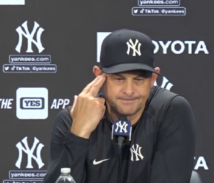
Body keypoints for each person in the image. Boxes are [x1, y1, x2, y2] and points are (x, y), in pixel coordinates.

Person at [43, 29, 196, 183]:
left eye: (138, 80)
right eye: (119, 79)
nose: (129, 91)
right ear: (99, 76)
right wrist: (78, 133)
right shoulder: (71, 119)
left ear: (153, 79)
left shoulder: (170, 110)